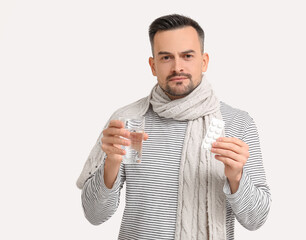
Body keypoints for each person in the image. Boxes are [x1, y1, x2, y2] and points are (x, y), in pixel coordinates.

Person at [77, 14, 271, 240]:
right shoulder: (128, 121)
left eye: (187, 56)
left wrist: (236, 178)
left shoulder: (238, 122)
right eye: (166, 57)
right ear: (153, 65)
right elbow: (94, 215)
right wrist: (111, 162)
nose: (178, 67)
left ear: (204, 61)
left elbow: (256, 219)